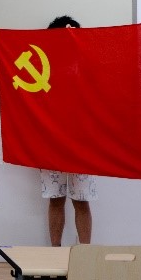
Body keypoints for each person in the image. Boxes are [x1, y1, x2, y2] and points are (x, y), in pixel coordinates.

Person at [38, 16, 96, 246]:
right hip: (51, 142)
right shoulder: (43, 66)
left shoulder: (87, 63)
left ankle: (86, 252)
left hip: (82, 143)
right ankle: (55, 250)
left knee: (81, 200)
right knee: (55, 199)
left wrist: (76, 45)